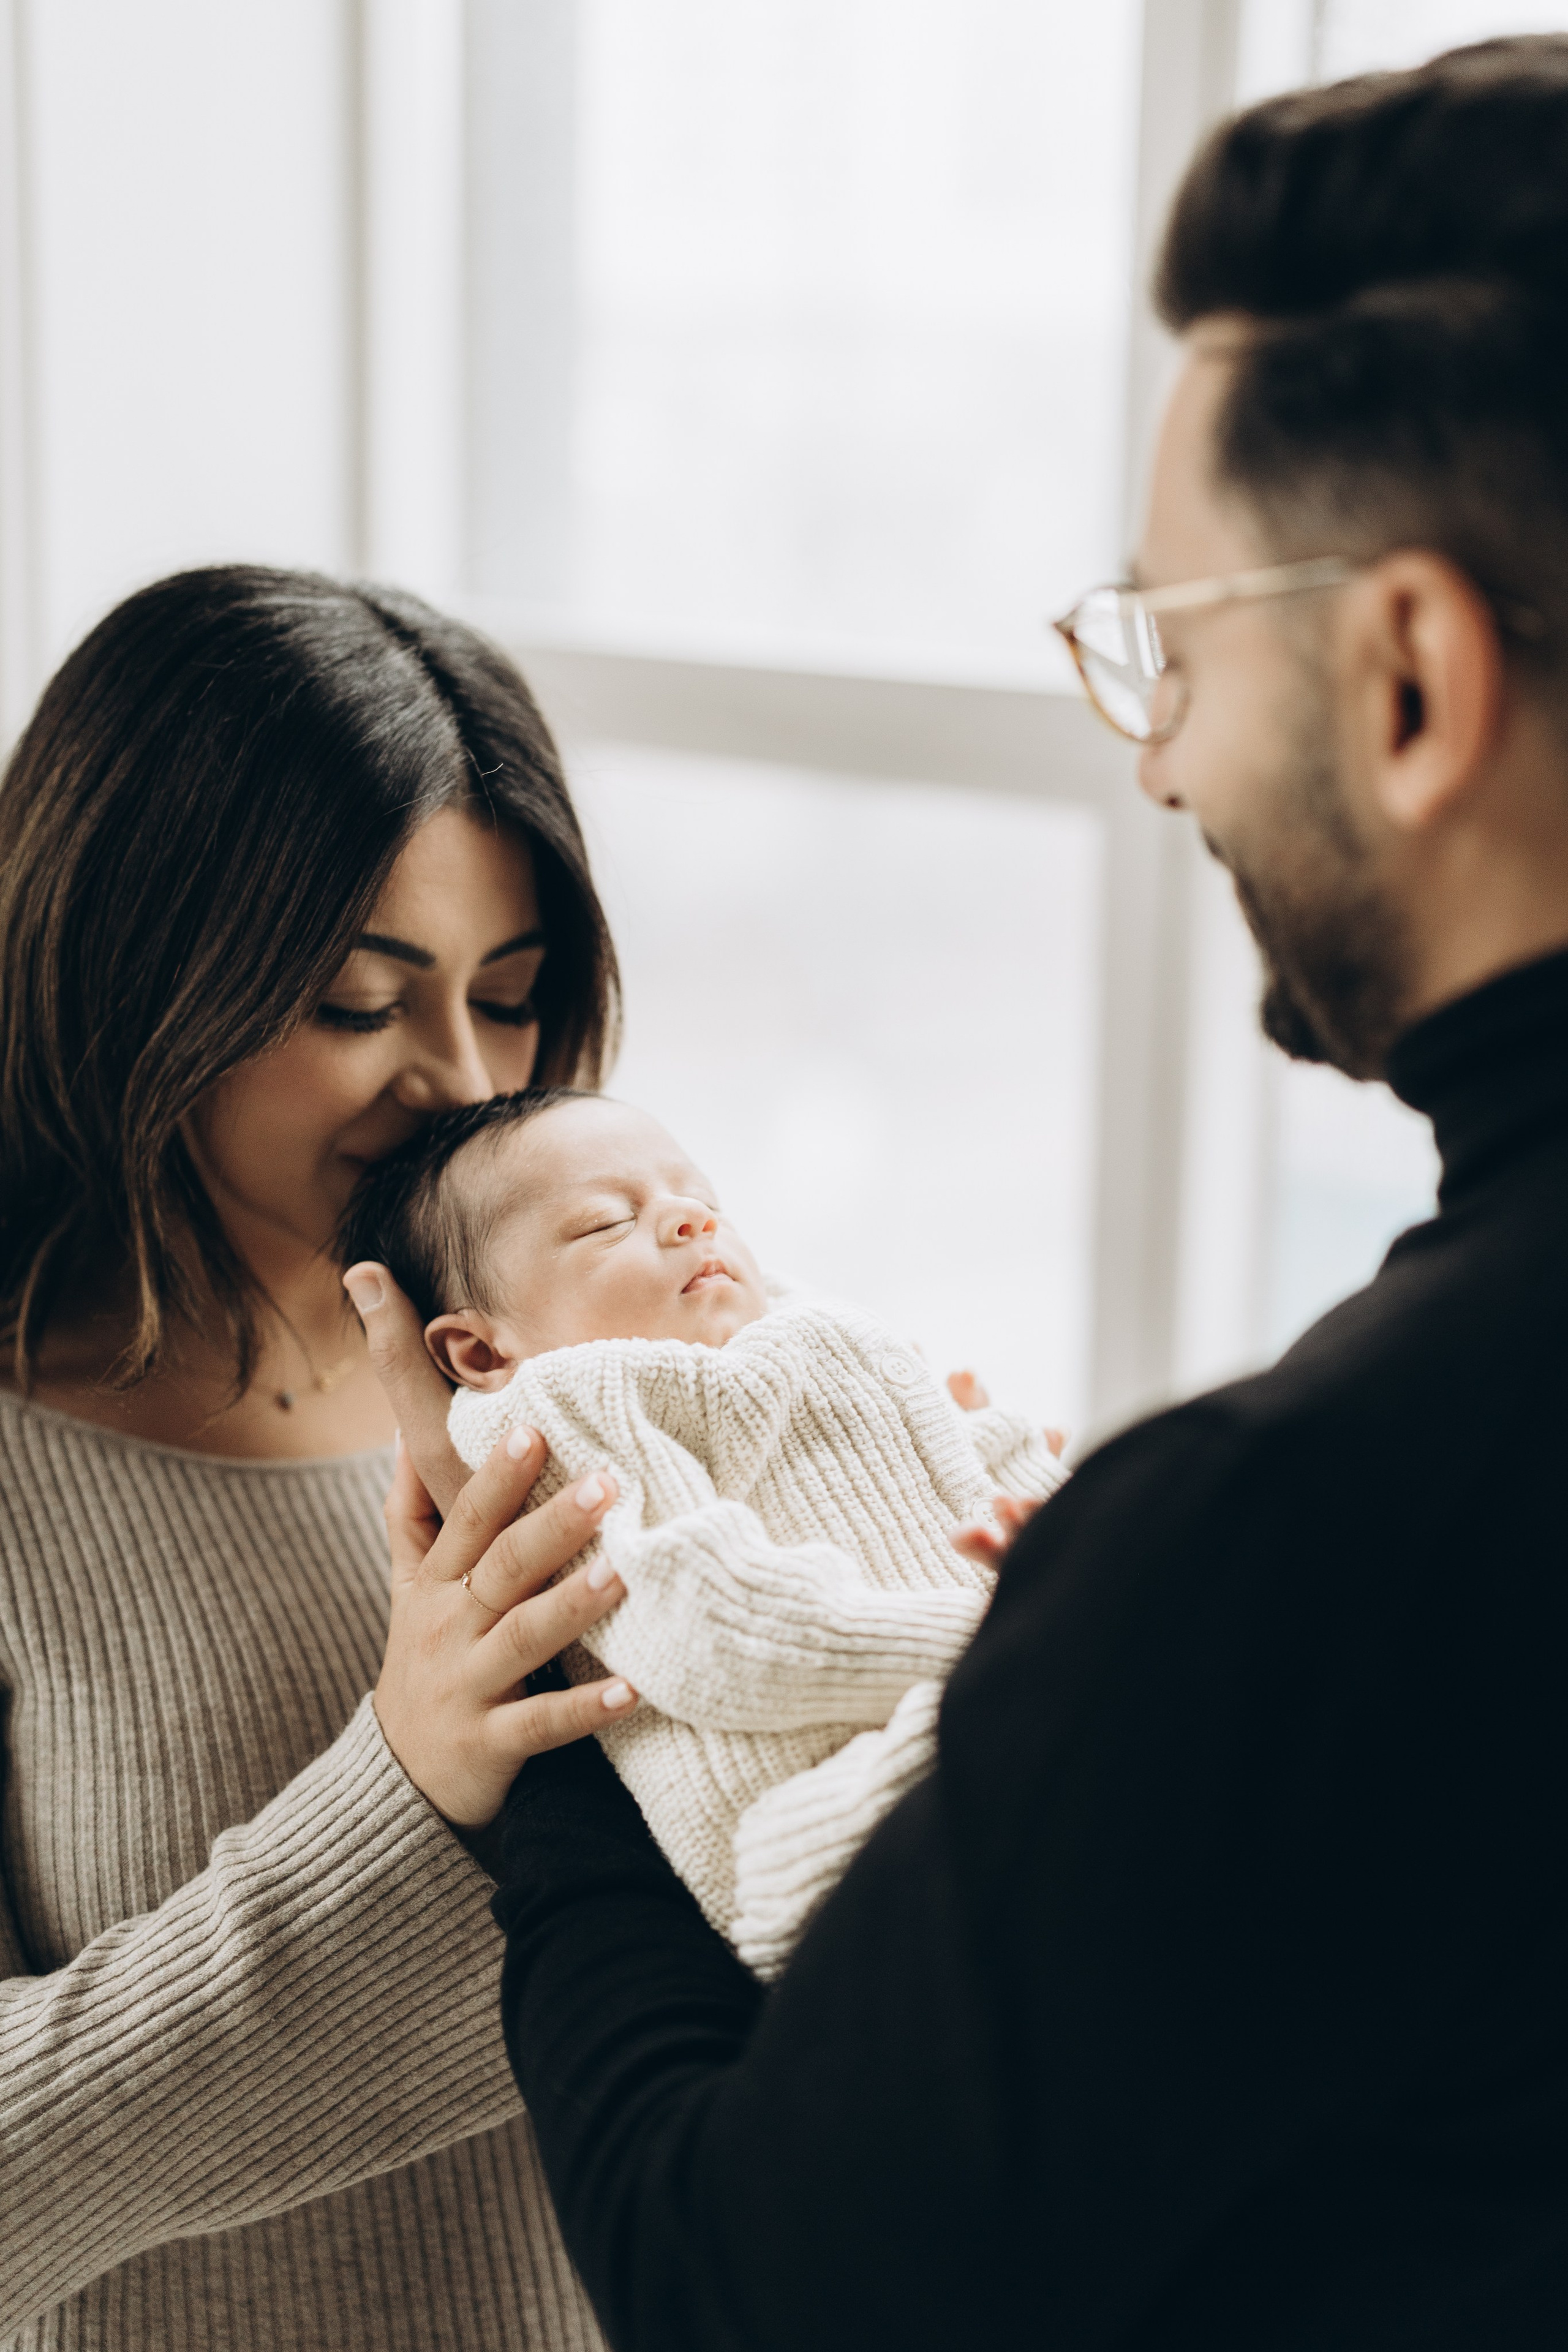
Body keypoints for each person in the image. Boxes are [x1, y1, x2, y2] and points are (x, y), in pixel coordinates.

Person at [357, 35, 1568, 2350]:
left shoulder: (1279, 1552)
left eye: (1173, 650)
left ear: (1409, 673)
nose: (1165, 758)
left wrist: (555, 1776)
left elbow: (746, 2292)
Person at [0, 565, 643, 2351]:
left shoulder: (590, 1352)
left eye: (510, 997)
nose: (460, 1081)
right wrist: (413, 1792)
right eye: (360, 1005)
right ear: (134, 973)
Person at [336, 1085, 1063, 1977]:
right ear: (485, 1352)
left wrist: (1087, 1548)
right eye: (607, 1222)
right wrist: (1020, 1647)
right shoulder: (568, 1406)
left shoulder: (813, 1330)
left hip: (1002, 1716)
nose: (691, 1219)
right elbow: (714, 1627)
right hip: (823, 1833)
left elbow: (988, 1453)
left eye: (706, 1202)